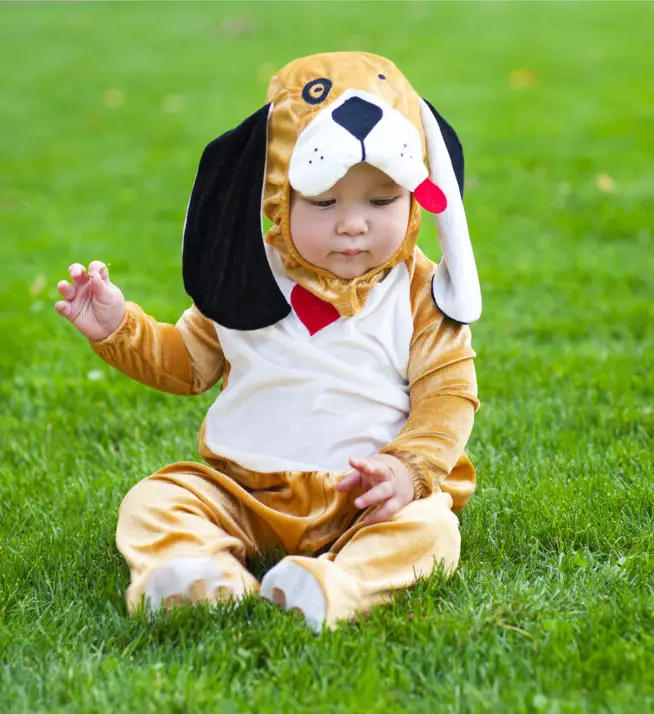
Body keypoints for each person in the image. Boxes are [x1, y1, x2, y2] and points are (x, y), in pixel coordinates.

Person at [54, 52, 483, 632]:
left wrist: (409, 471)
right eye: (325, 202)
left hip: (365, 499)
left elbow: (447, 397)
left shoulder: (422, 293)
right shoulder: (246, 276)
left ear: (417, 198)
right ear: (277, 198)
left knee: (431, 530)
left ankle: (337, 587)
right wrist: (119, 328)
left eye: (381, 201)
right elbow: (187, 365)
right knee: (155, 500)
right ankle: (196, 574)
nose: (352, 224)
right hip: (244, 489)